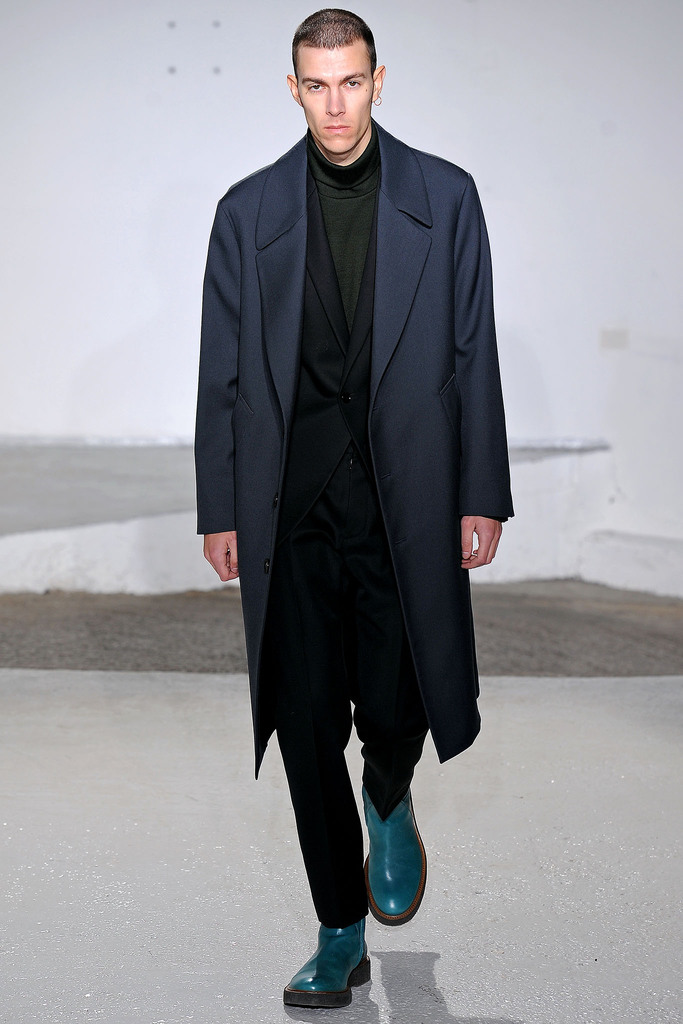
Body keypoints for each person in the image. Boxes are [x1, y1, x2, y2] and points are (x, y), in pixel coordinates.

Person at [195, 8, 513, 1009]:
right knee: (302, 721)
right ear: (292, 89)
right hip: (287, 504)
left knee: (394, 695)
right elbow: (220, 376)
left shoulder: (444, 197)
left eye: (350, 81)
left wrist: (481, 489)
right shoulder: (246, 212)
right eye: (316, 84)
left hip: (403, 491)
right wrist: (219, 504)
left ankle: (388, 789)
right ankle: (339, 932)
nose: (334, 104)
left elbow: (471, 349)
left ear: (379, 81)